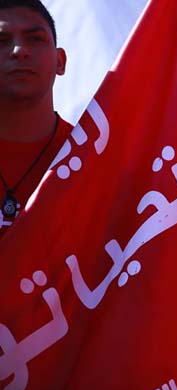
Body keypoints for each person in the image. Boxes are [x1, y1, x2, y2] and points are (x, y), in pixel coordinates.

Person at [0, 0, 71, 239]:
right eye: (2, 41)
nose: (19, 51)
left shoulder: (95, 158)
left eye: (35, 39)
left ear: (60, 61)